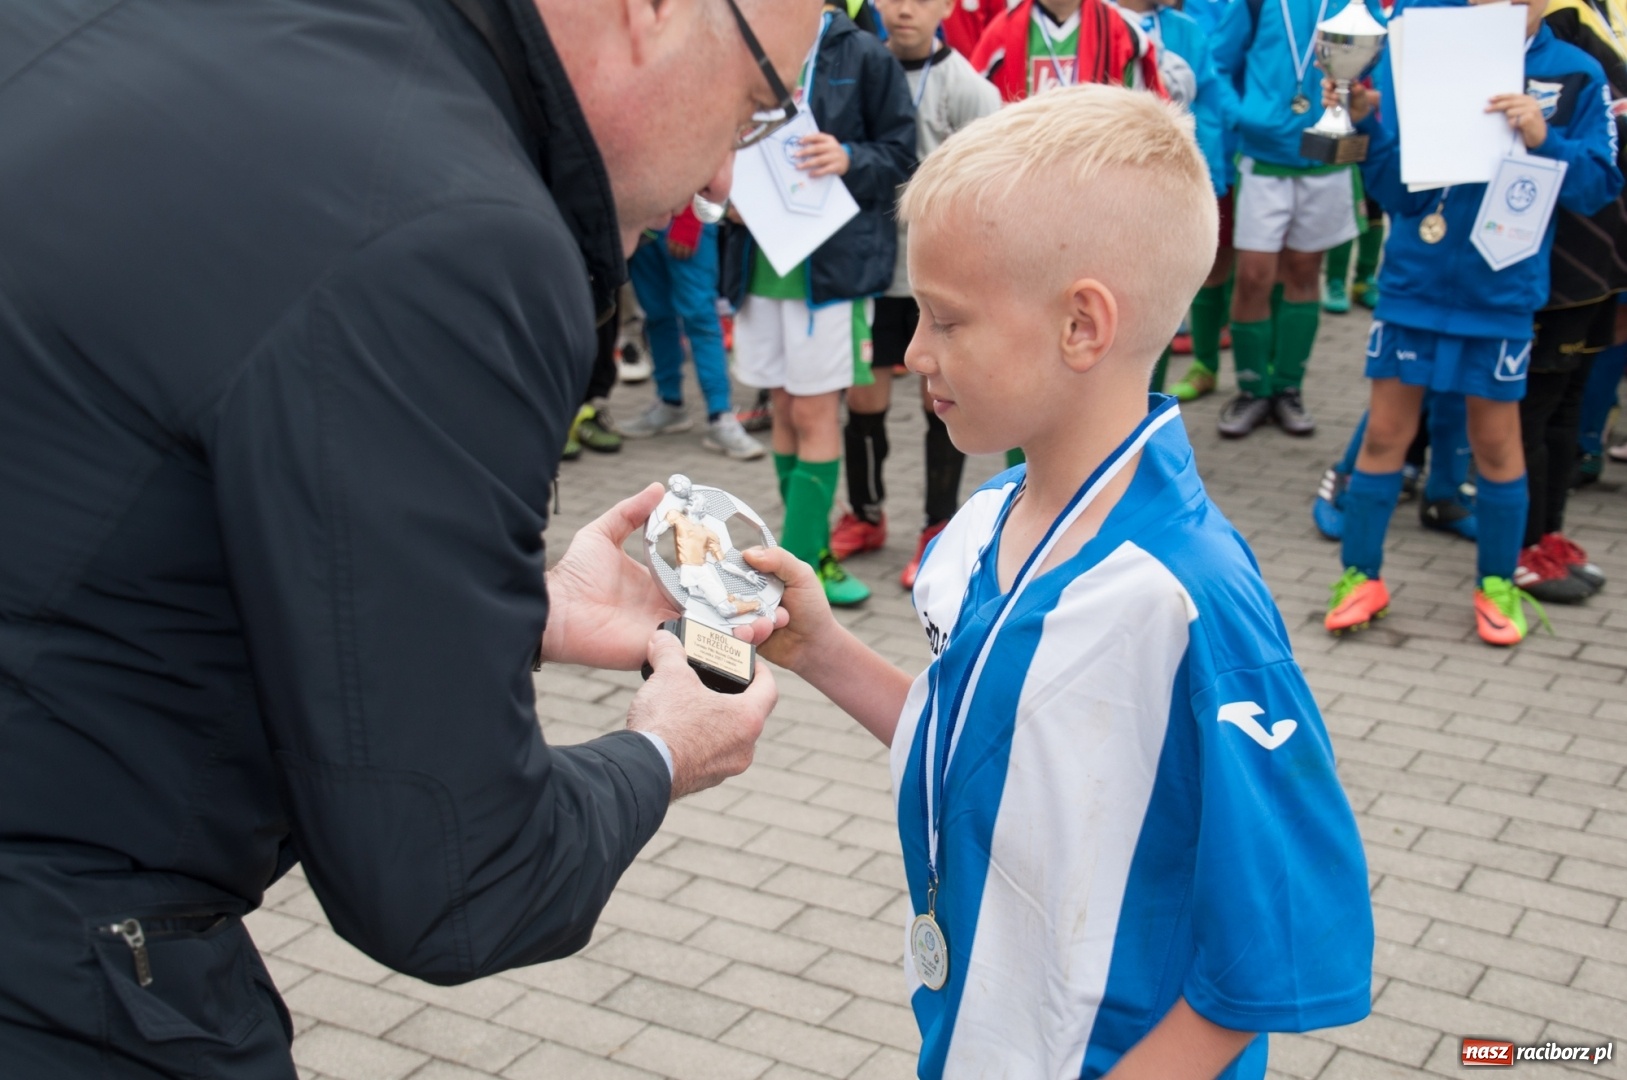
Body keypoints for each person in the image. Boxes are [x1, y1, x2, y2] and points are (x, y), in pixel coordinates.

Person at [0, 0, 819, 1075]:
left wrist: (500, 619)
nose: (721, 185)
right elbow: (452, 880)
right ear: (650, 11)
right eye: (755, 108)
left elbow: (145, 489)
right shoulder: (461, 227)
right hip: (62, 966)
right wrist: (663, 752)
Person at [750, 85, 1372, 1080]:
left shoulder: (1186, 596)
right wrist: (821, 649)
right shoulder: (984, 523)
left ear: (1083, 326)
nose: (912, 355)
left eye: (946, 322)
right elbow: (986, 741)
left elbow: (1285, 942)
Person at [1324, 0, 1622, 646]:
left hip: (1502, 293)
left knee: (1494, 444)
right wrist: (1369, 127)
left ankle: (1495, 584)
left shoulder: (1574, 73)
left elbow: (1598, 184)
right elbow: (1397, 195)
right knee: (1383, 438)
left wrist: (1545, 140)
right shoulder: (1420, 53)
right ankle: (1359, 578)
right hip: (1413, 285)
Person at [723, 2, 916, 607]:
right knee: (782, 405)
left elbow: (903, 152)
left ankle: (805, 560)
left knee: (811, 411)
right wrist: (720, 185)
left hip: (830, 272)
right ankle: (798, 551)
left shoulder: (864, 53)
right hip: (760, 265)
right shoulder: (746, 38)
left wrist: (851, 157)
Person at [829, 0, 1001, 584]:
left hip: (937, 280)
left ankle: (938, 527)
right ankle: (866, 514)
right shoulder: (859, 68)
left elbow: (993, 185)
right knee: (863, 399)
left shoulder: (968, 88)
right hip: (870, 270)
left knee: (939, 401)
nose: (905, 9)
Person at [1210, 0, 1384, 438]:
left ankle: (1288, 389)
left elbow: (1377, 67)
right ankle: (1252, 389)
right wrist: (1244, 115)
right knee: (1253, 275)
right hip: (1264, 157)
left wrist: (1361, 102)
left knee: (1305, 271)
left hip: (1325, 156)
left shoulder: (1354, 5)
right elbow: (1216, 65)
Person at [1116, 0, 1236, 393]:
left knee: (1153, 299)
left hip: (1167, 187)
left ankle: (1149, 401)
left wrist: (1211, 172)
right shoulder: (1095, 20)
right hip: (1108, 190)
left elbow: (1210, 107)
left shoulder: (1186, 30)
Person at [622, 208, 767, 459]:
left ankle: (720, 415)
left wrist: (689, 217)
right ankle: (670, 403)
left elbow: (710, 167)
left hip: (686, 217)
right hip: (644, 219)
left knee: (701, 318)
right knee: (656, 317)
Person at [970, 0, 1163, 102]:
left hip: (1097, 168)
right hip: (1023, 168)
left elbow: (1143, 117)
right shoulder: (1001, 35)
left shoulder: (1122, 34)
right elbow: (974, 118)